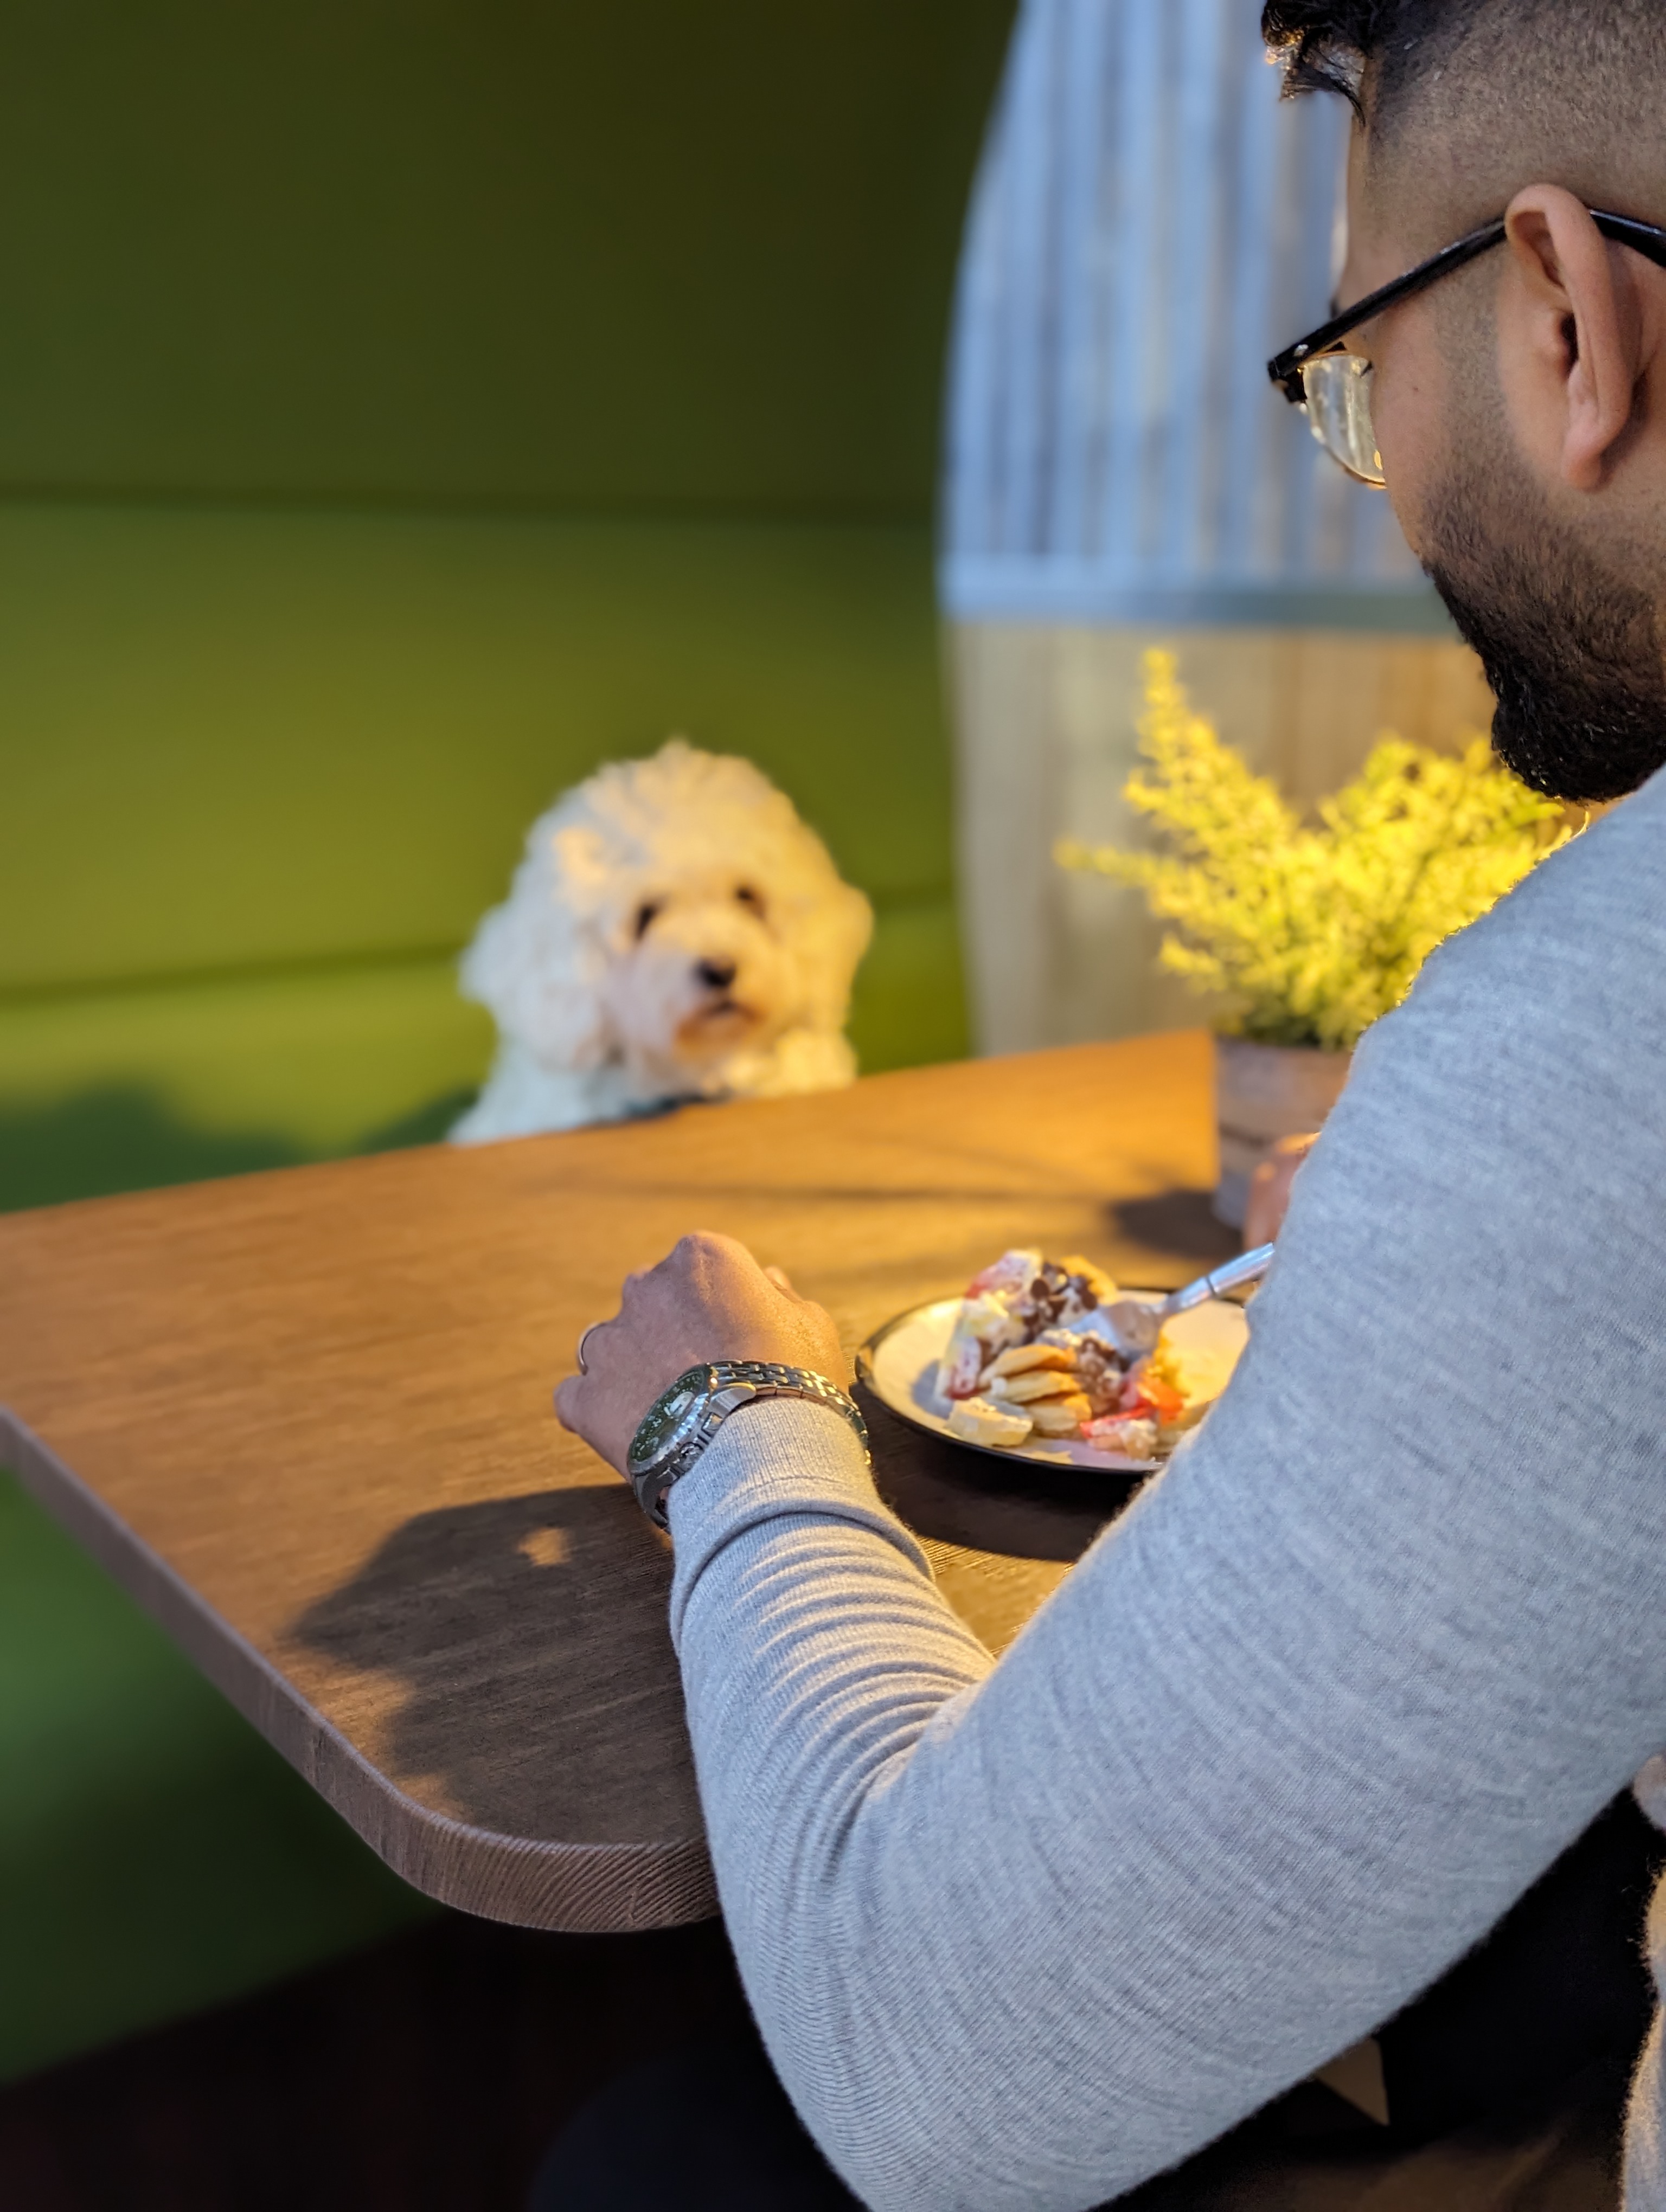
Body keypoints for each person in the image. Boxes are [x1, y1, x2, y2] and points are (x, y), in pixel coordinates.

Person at [549, 4, 1666, 2205]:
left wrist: (734, 1421)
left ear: (1563, 313)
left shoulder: (1599, 1044)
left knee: (664, 2168)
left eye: (1352, 373)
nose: (1380, 473)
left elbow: (933, 2067)